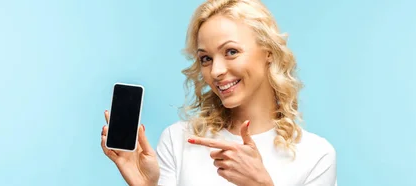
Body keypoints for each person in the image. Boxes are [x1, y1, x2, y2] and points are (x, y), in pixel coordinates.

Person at [100, 0, 337, 185]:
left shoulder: (315, 155)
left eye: (231, 51)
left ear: (269, 52)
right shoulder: (179, 140)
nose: (216, 71)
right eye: (206, 58)